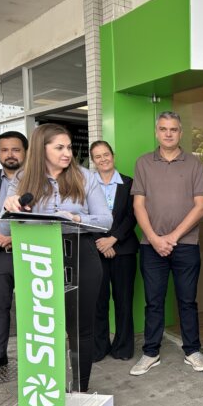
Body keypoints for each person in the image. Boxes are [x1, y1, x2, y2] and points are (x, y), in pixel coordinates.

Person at [2, 123, 113, 392]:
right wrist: (9, 207)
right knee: (43, 330)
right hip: (37, 257)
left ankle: (80, 389)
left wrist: (75, 218)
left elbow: (106, 221)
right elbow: (4, 229)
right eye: (60, 147)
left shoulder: (85, 177)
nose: (67, 153)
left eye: (69, 147)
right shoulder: (22, 179)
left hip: (81, 255)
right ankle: (48, 392)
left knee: (80, 328)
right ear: (42, 149)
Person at [129, 111, 203, 376]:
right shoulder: (143, 163)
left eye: (173, 129)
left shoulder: (194, 164)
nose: (168, 133)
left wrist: (173, 237)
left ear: (180, 133)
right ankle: (150, 353)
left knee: (187, 300)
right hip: (151, 246)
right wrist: (154, 238)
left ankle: (192, 351)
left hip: (186, 245)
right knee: (154, 301)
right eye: (163, 129)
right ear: (156, 132)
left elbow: (201, 206)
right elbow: (138, 205)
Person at [90, 141, 139, 361]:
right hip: (96, 250)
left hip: (124, 250)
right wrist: (101, 242)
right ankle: (99, 348)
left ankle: (123, 348)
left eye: (106, 154)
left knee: (124, 301)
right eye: (98, 156)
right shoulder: (87, 185)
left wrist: (113, 239)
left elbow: (132, 215)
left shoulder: (129, 183)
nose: (103, 159)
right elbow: (84, 215)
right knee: (98, 302)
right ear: (93, 161)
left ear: (113, 155)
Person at [0, 131, 27, 371]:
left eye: (15, 149)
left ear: (25, 152)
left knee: (32, 309)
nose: (10, 154)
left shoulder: (38, 180)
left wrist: (15, 237)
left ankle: (33, 357)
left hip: (29, 252)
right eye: (4, 150)